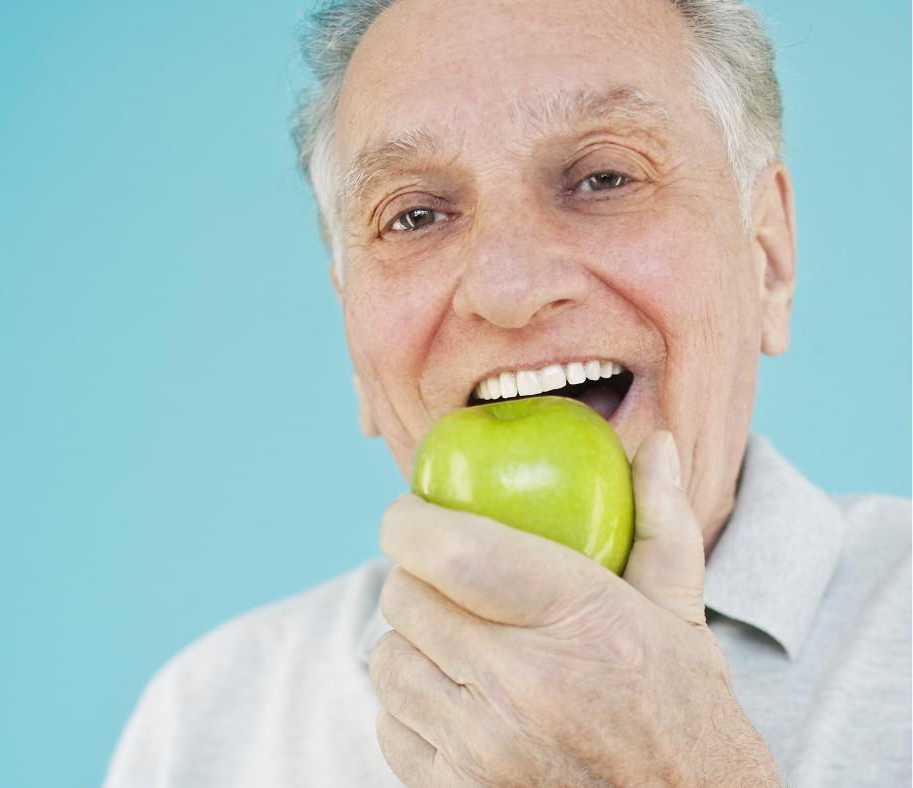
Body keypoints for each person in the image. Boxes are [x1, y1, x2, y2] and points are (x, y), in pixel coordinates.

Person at [104, 0, 911, 785]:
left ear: (767, 258)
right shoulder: (205, 726)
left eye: (602, 177)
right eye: (415, 216)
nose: (508, 287)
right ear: (353, 335)